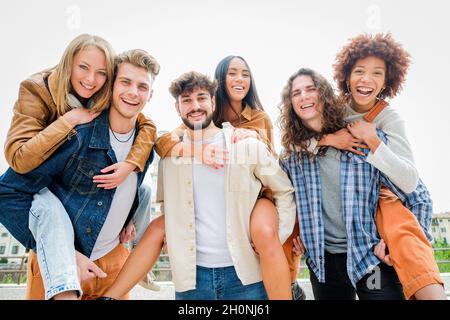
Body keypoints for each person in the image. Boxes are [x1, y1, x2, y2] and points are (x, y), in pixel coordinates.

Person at [100, 71, 296, 300]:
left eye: (201, 98)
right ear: (178, 108)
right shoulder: (170, 157)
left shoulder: (246, 145)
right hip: (192, 281)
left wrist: (276, 237)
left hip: (246, 277)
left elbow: (284, 190)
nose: (195, 106)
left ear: (213, 102)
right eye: (187, 100)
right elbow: (167, 206)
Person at [0, 48, 159, 300]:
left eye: (142, 86)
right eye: (125, 82)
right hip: (58, 265)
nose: (133, 92)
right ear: (110, 86)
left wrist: (128, 217)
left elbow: (134, 188)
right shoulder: (77, 135)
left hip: (114, 263)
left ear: (151, 94)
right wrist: (63, 253)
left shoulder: (146, 142)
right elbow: (7, 192)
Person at [278, 67, 436, 299]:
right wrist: (295, 233)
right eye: (296, 93)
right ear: (291, 104)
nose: (304, 96)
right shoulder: (292, 157)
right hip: (323, 264)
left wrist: (398, 248)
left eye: (311, 89)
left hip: (370, 259)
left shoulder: (361, 141)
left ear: (323, 95)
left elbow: (418, 196)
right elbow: (284, 201)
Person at [154, 56, 303, 300]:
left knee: (266, 234)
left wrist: (249, 138)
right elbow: (165, 141)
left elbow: (270, 167)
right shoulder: (206, 115)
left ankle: (289, 286)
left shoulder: (259, 118)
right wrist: (198, 151)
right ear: (220, 81)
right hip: (226, 205)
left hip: (257, 196)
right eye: (232, 73)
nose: (239, 79)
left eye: (245, 74)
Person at [310, 33, 445, 299]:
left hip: (377, 224)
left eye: (376, 73)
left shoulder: (388, 118)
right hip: (330, 242)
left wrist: (372, 140)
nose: (366, 80)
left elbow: (408, 180)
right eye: (359, 71)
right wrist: (329, 139)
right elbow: (294, 146)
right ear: (346, 76)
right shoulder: (331, 111)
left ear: (387, 81)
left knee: (400, 259)